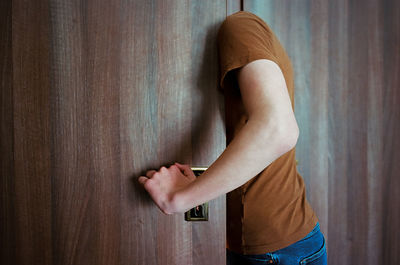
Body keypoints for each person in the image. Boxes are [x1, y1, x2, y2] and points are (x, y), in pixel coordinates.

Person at [138, 10, 327, 265]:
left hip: (279, 252)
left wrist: (180, 198)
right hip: (272, 248)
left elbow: (278, 129)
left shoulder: (240, 25)